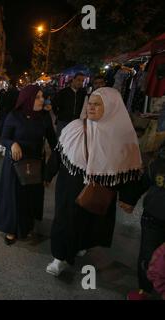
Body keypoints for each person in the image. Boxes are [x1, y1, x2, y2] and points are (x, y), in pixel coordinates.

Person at [44, 87, 143, 276]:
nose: (91, 107)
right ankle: (59, 257)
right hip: (70, 185)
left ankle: (80, 245)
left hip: (99, 190)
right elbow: (58, 153)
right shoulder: (74, 127)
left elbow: (128, 169)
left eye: (97, 104)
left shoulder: (122, 137)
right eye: (90, 103)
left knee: (89, 222)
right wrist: (48, 175)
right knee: (65, 220)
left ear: (113, 107)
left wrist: (128, 198)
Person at [0, 85, 57, 244]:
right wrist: (12, 144)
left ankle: (26, 226)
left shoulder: (44, 117)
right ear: (28, 99)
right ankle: (11, 229)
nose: (42, 100)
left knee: (30, 197)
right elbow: (4, 138)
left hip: (35, 164)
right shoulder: (14, 116)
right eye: (38, 97)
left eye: (42, 96)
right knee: (14, 197)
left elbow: (53, 142)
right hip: (15, 164)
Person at [126, 141, 165, 300]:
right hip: (153, 219)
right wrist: (130, 200)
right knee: (147, 257)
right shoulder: (158, 162)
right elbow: (144, 182)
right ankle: (144, 290)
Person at [52, 72, 87, 137]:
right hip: (63, 122)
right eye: (78, 80)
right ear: (73, 80)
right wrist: (58, 114)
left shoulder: (83, 93)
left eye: (82, 81)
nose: (80, 82)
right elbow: (54, 104)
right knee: (61, 141)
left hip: (76, 122)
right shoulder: (63, 92)